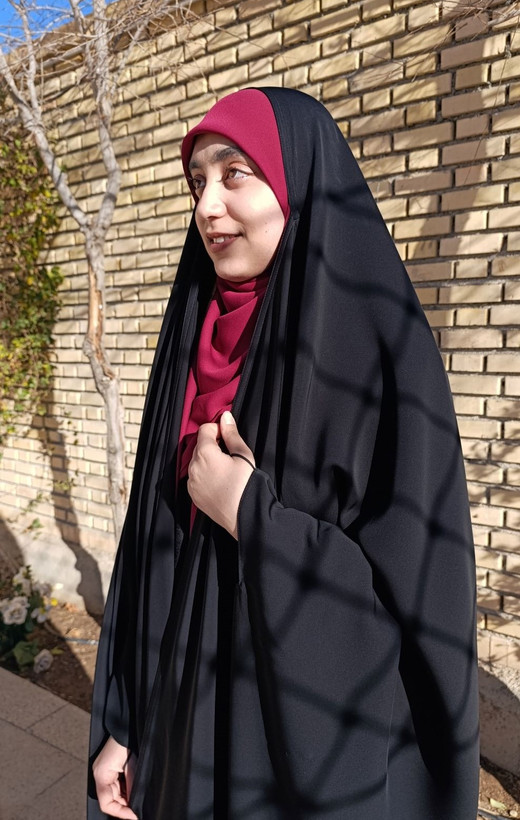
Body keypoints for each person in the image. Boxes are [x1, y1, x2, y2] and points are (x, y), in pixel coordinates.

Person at [88, 87, 480, 820]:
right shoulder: (190, 342)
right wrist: (127, 722)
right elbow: (153, 554)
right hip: (179, 730)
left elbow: (416, 602)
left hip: (288, 755)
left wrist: (251, 516)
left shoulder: (377, 357)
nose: (208, 206)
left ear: (299, 182)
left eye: (235, 173)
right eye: (197, 182)